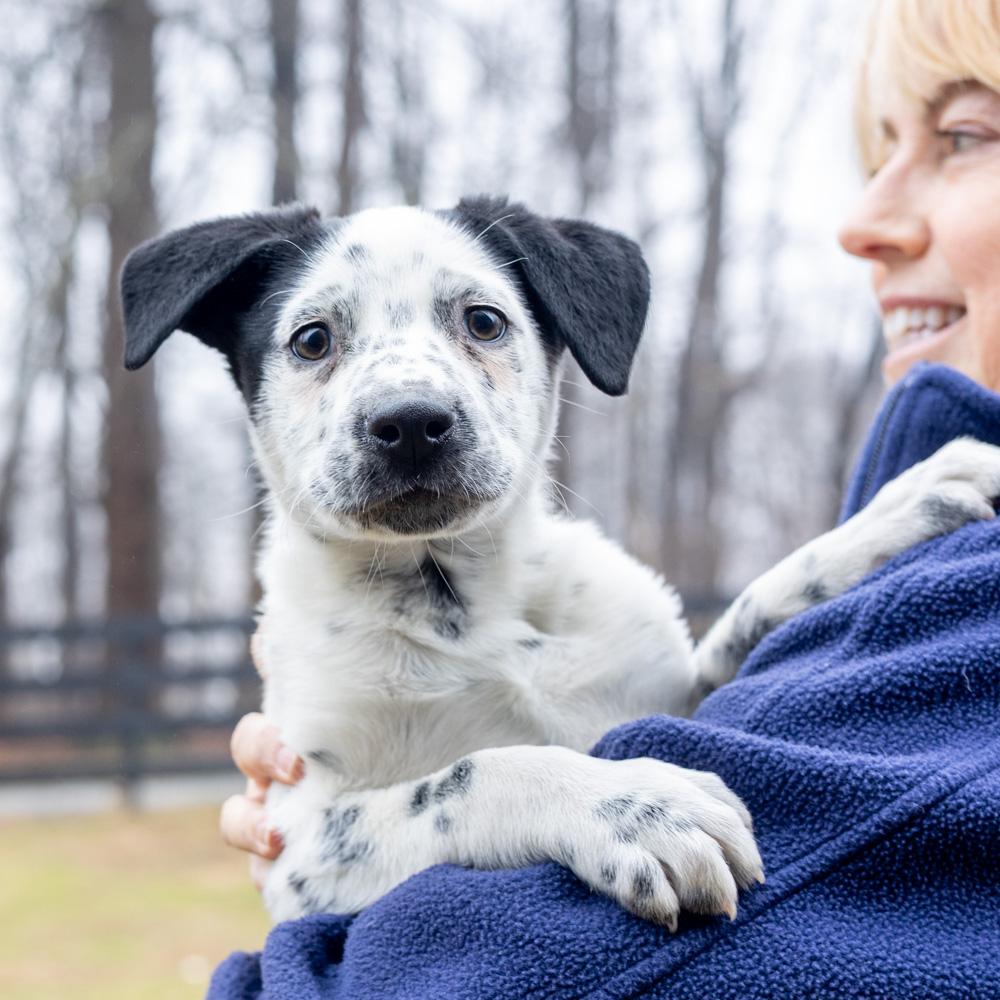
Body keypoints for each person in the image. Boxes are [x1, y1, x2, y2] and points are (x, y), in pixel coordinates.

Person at [212, 1, 1000, 996]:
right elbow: (302, 865)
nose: (408, 399)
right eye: (316, 342)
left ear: (561, 347)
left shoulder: (611, 604)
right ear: (248, 378)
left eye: (481, 324)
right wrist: (536, 795)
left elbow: (703, 728)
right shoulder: (315, 647)